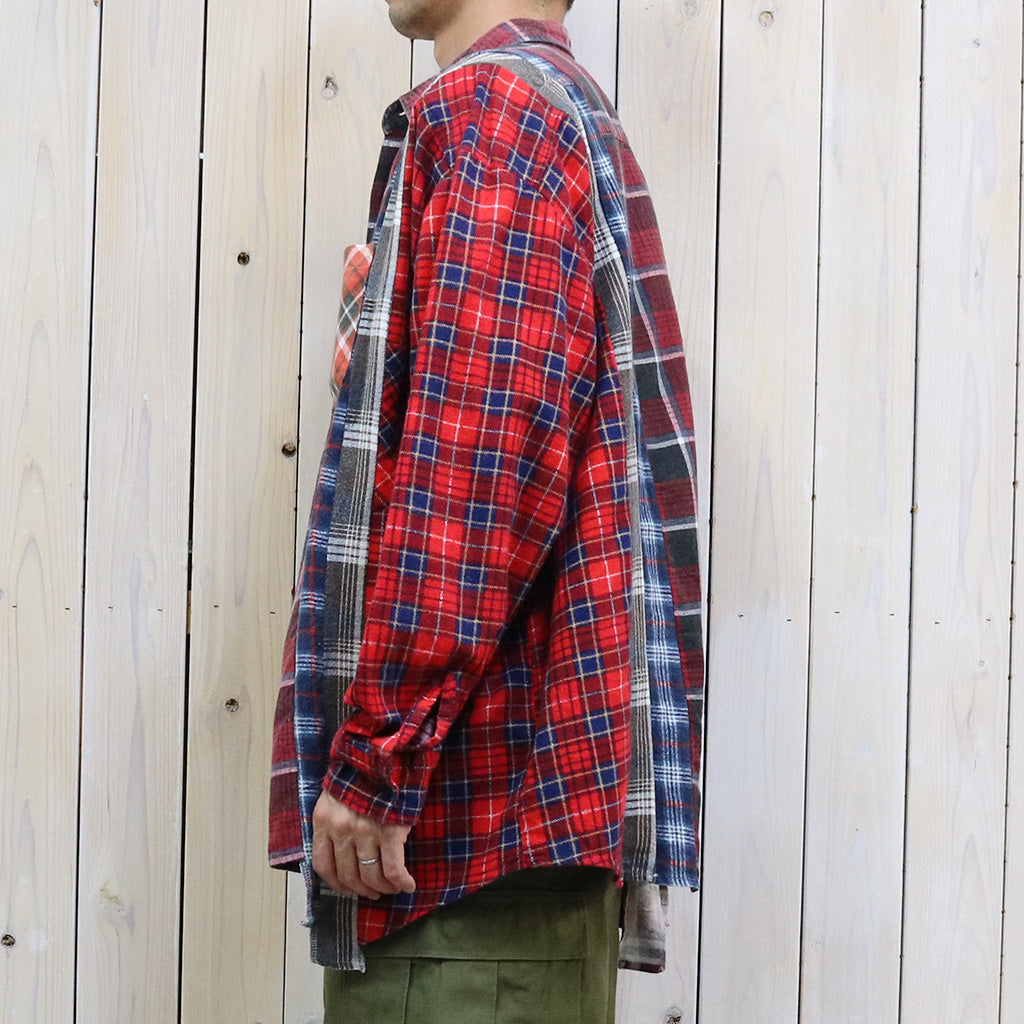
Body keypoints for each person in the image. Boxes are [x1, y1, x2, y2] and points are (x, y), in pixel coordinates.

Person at [268, 0, 705, 1019]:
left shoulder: (498, 111)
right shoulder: (552, 109)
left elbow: (475, 473)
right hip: (502, 847)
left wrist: (380, 756)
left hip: (460, 850)